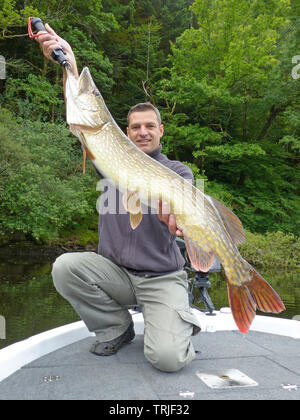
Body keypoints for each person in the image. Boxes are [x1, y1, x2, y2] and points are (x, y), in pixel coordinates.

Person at [36, 25, 201, 372]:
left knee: (168, 360)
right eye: (135, 127)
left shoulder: (178, 172)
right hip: (116, 274)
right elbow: (83, 114)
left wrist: (172, 215)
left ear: (160, 131)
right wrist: (68, 62)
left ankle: (179, 323)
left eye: (149, 126)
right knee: (65, 268)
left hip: (161, 278)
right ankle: (116, 326)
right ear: (125, 132)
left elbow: (175, 214)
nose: (142, 131)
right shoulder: (108, 161)